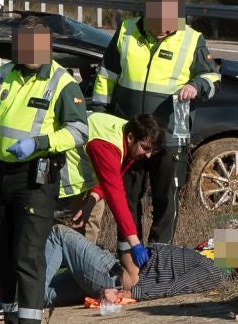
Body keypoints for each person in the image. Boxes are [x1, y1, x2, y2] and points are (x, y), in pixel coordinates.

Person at [0, 15, 89, 324]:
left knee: (27, 255)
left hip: (35, 178)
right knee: (0, 249)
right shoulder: (4, 74)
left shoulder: (62, 83)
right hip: (1, 174)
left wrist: (39, 142)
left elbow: (79, 131)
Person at [91, 0, 220, 245]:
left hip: (170, 136)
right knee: (126, 199)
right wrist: (100, 116)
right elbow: (106, 76)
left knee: (166, 201)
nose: (165, 30)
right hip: (128, 136)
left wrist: (197, 86)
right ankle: (130, 255)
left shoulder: (191, 38)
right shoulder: (127, 31)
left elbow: (212, 78)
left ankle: (159, 259)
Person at [0, 226, 229, 319]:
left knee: (59, 235)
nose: (222, 238)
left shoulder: (212, 271)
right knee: (43, 295)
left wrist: (125, 293)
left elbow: (173, 288)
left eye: (234, 241)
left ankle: (22, 313)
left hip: (113, 275)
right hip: (114, 275)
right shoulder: (202, 256)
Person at [60, 111, 166, 271]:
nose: (148, 155)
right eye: (145, 148)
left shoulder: (128, 135)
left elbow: (109, 176)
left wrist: (91, 201)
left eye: (152, 150)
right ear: (131, 137)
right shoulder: (108, 146)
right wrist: (136, 244)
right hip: (59, 181)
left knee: (91, 219)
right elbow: (116, 196)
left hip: (84, 181)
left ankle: (81, 269)